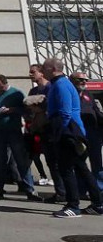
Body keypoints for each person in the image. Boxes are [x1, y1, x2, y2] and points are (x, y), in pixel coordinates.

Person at [42, 58, 103, 218]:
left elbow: (65, 112)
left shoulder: (61, 85)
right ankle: (98, 204)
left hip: (68, 133)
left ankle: (73, 206)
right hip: (72, 131)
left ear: (53, 68)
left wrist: (60, 132)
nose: (42, 71)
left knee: (67, 169)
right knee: (82, 169)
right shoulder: (60, 84)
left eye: (45, 68)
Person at [0, 75, 41, 201]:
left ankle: (30, 190)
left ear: (4, 83)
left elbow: (26, 110)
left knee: (21, 161)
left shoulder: (16, 94)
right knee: (0, 162)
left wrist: (11, 110)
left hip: (14, 131)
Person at [29, 63, 64, 202]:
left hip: (51, 129)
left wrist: (39, 107)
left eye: (33, 72)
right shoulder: (33, 91)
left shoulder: (51, 87)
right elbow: (28, 106)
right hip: (40, 129)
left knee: (57, 162)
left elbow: (49, 105)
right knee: (50, 161)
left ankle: (64, 192)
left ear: (42, 73)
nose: (30, 74)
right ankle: (60, 191)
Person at [70, 71, 103, 195]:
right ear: (72, 81)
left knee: (97, 162)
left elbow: (96, 112)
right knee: (79, 163)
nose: (84, 82)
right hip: (78, 133)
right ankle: (81, 190)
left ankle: (100, 189)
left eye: (85, 80)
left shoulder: (88, 94)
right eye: (80, 80)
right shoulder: (70, 94)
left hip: (93, 133)